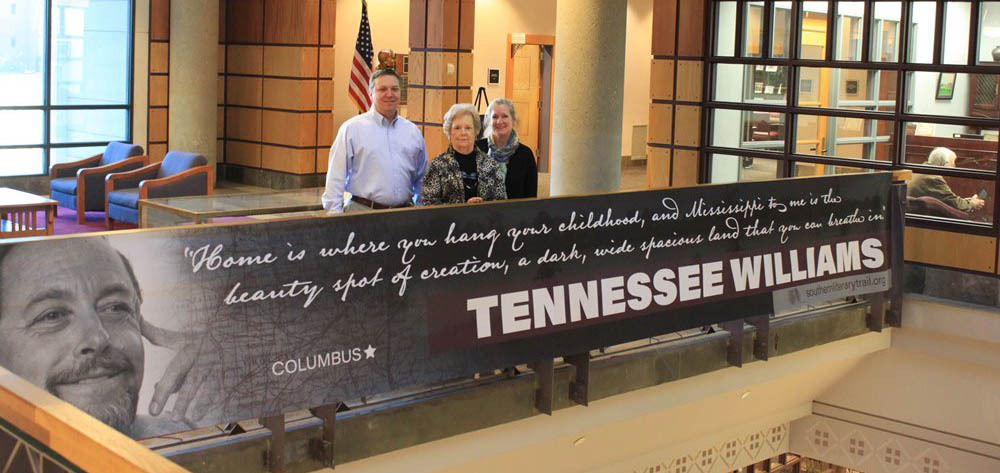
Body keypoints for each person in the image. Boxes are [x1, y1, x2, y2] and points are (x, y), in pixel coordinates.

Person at [0, 238, 189, 438]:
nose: (97, 339)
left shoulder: (187, 432)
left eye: (115, 307)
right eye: (52, 315)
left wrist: (222, 375)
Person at [322, 68, 428, 213]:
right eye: (382, 89)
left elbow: (422, 177)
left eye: (395, 89)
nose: (389, 94)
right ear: (370, 93)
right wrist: (335, 216)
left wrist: (422, 212)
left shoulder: (412, 132)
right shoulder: (352, 129)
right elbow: (336, 176)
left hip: (404, 215)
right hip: (363, 213)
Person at [420, 104, 507, 206]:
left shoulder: (491, 165)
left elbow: (501, 203)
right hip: (448, 222)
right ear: (449, 132)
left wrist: (482, 207)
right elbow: (428, 204)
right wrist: (463, 208)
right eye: (457, 128)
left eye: (468, 128)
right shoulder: (437, 165)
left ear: (476, 131)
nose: (463, 133)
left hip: (484, 221)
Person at [476, 98, 538, 199]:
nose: (499, 121)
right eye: (495, 117)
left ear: (513, 120)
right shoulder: (477, 149)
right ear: (488, 121)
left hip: (515, 213)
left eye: (505, 116)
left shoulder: (525, 154)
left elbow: (531, 196)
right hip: (482, 212)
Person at [908, 147, 985, 212]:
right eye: (953, 163)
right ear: (945, 164)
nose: (954, 166)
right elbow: (954, 203)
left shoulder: (919, 170)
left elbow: (946, 199)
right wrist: (972, 203)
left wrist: (968, 201)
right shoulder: (933, 178)